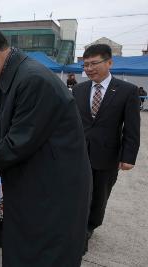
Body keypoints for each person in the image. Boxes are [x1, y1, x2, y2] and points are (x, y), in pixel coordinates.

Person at [0, 24, 92, 267]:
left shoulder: (32, 80)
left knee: (42, 257)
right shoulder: (12, 77)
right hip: (34, 186)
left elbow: (18, 143)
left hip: (52, 193)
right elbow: (0, 130)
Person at [72, 44, 140, 249]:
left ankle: (90, 226)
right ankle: (77, 227)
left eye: (94, 63)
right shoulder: (79, 89)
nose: (89, 68)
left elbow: (132, 126)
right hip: (79, 154)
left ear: (109, 62)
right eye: (86, 65)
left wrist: (129, 156)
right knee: (78, 192)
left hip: (107, 155)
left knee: (99, 195)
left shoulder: (127, 91)